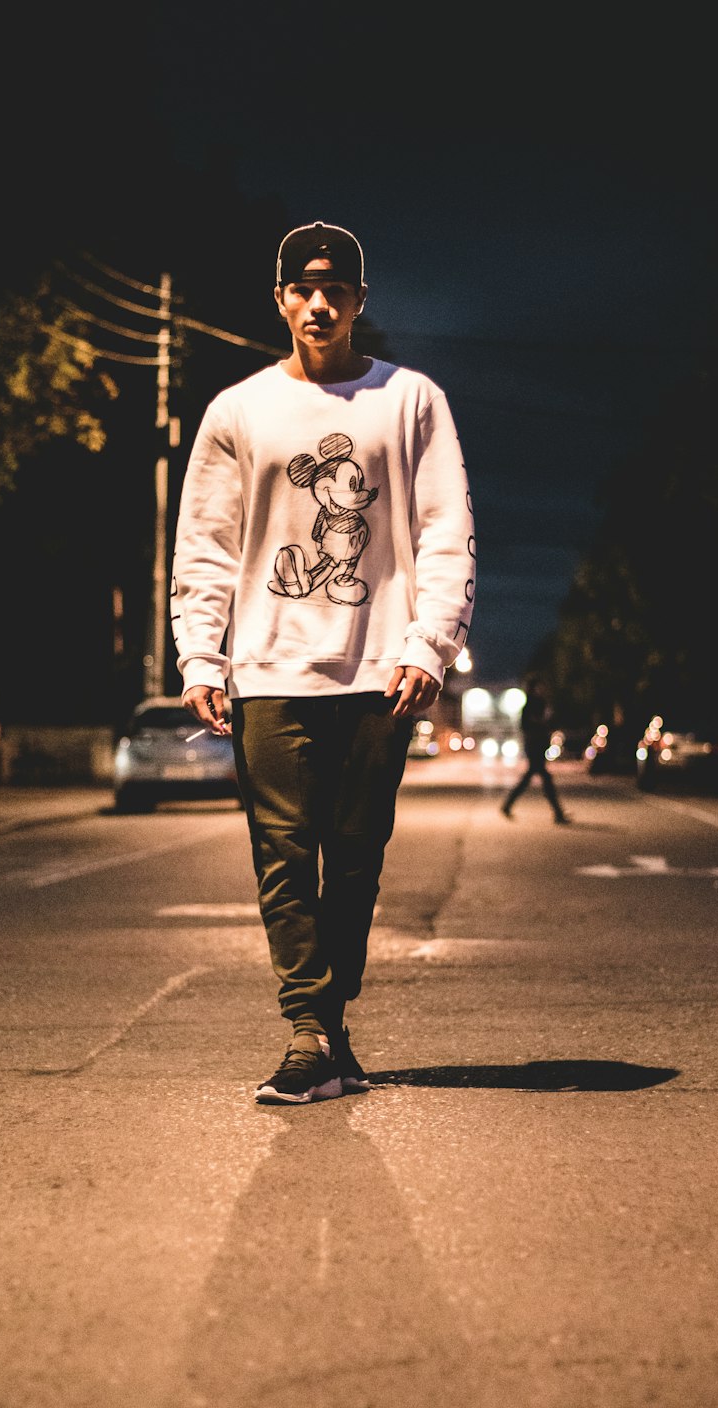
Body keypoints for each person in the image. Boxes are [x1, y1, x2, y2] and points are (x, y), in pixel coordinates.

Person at [170, 221, 476, 1104]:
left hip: (380, 671)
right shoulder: (237, 411)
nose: (318, 303)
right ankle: (310, 1028)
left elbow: (444, 529)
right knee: (280, 853)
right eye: (302, 288)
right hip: (269, 669)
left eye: (334, 289)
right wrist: (201, 654)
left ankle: (329, 1030)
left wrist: (431, 643)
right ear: (279, 300)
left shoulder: (411, 400)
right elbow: (207, 543)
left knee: (355, 857)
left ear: (358, 301)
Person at [500, 673, 570, 824]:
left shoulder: (541, 703)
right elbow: (526, 725)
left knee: (531, 778)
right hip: (534, 746)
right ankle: (558, 813)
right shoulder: (531, 704)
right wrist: (541, 722)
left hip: (539, 745)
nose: (543, 689)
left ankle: (507, 805)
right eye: (539, 686)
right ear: (533, 688)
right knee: (544, 778)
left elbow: (549, 723)